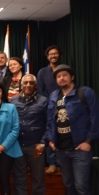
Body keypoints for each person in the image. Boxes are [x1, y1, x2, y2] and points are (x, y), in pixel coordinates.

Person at [47, 65, 99, 195]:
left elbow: (96, 117)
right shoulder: (54, 95)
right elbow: (50, 120)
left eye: (64, 76)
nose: (61, 79)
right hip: (62, 150)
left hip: (80, 148)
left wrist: (89, 140)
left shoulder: (85, 92)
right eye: (58, 77)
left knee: (81, 187)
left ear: (72, 77)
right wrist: (50, 139)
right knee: (69, 186)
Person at [9, 74, 47, 195]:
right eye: (26, 83)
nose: (28, 85)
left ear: (36, 86)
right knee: (19, 179)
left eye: (32, 83)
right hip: (17, 146)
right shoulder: (13, 101)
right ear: (21, 85)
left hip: (35, 147)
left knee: (38, 180)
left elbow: (49, 124)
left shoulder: (44, 102)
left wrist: (43, 142)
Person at [37, 45, 62, 175]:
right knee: (50, 133)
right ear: (47, 57)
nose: (53, 56)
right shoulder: (42, 72)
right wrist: (50, 102)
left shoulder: (64, 70)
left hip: (64, 105)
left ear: (59, 55)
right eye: (51, 54)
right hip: (48, 106)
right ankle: (52, 163)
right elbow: (40, 90)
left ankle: (62, 162)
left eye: (55, 53)